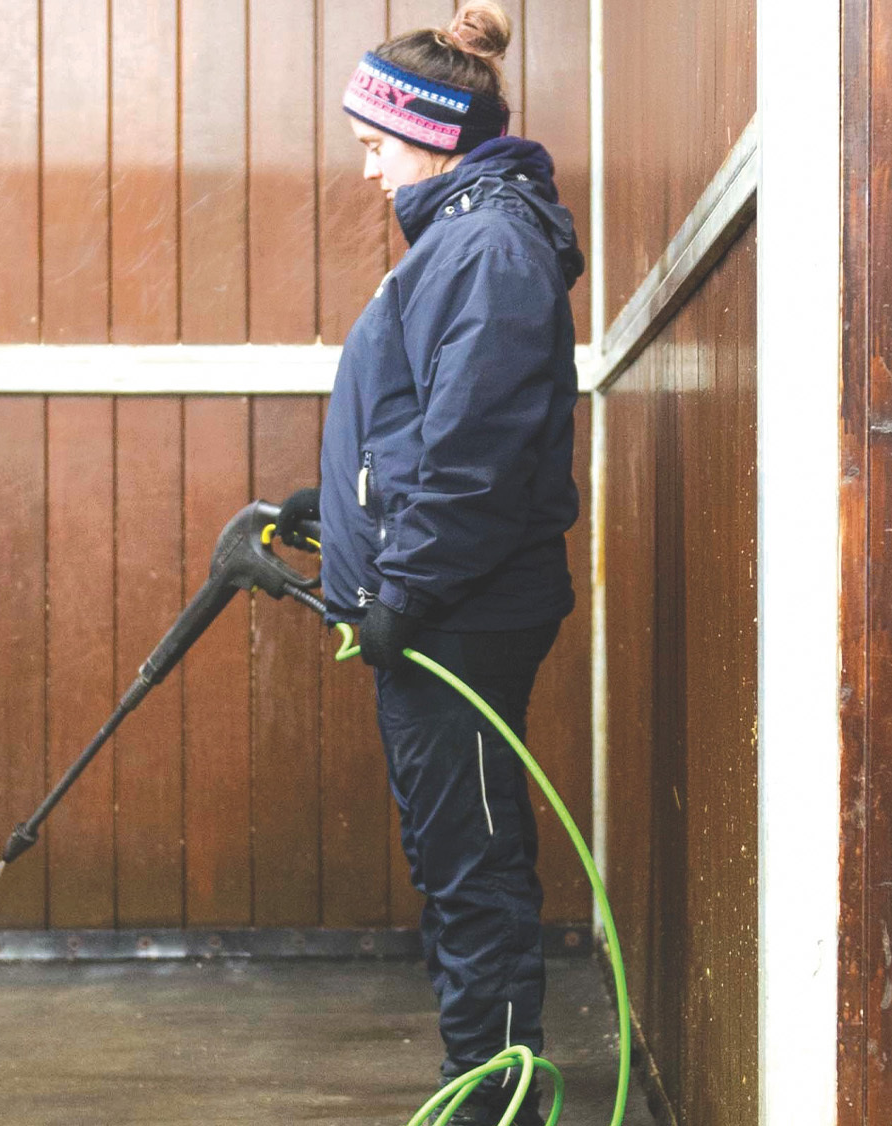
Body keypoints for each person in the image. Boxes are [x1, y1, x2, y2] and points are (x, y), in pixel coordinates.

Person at [277, 4, 582, 1123]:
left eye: (373, 146)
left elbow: (479, 453)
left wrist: (397, 587)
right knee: (455, 846)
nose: (365, 173)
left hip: (458, 610)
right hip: (439, 599)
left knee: (473, 859)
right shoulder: (463, 239)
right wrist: (340, 510)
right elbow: (423, 428)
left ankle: (501, 1095)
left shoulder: (487, 244)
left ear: (433, 135)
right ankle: (484, 1076)